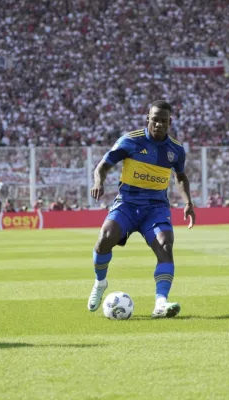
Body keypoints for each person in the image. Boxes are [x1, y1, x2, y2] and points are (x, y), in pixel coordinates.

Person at [87, 100, 196, 318]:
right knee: (105, 238)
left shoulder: (175, 150)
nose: (159, 125)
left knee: (166, 245)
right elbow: (103, 165)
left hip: (155, 207)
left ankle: (160, 304)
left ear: (170, 122)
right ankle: (100, 283)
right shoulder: (130, 141)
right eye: (155, 120)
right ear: (147, 119)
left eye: (163, 121)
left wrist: (188, 202)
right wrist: (98, 181)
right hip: (128, 203)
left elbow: (181, 177)